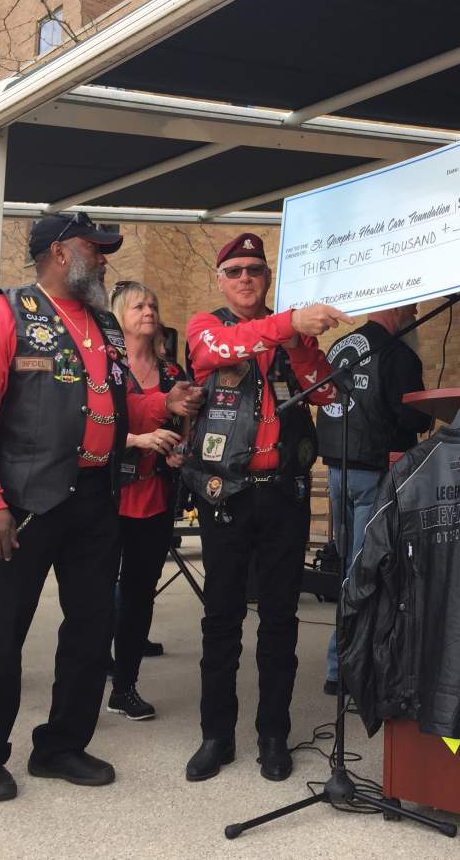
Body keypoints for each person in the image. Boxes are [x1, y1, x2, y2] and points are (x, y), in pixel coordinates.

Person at [0, 213, 202, 802]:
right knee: (0, 632)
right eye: (96, 248)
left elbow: (117, 409)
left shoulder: (106, 328)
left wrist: (166, 400)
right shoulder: (3, 314)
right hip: (23, 503)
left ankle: (61, 745)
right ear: (60, 254)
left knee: (90, 628)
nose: (106, 259)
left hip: (94, 499)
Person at [180, 232, 351, 783]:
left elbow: (326, 394)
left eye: (255, 269)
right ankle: (216, 735)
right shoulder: (205, 327)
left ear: (268, 278)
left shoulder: (289, 334)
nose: (246, 278)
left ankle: (272, 734)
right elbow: (218, 351)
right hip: (224, 495)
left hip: (284, 493)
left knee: (279, 618)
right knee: (221, 618)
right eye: (235, 271)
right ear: (221, 280)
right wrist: (291, 323)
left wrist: (301, 343)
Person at [315, 303, 431, 695]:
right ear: (397, 309)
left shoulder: (339, 347)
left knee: (350, 569)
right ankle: (347, 669)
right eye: (412, 309)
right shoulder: (399, 355)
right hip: (375, 472)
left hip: (337, 470)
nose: (415, 315)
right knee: (364, 574)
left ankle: (343, 664)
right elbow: (412, 416)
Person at [106, 281, 189, 721]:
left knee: (140, 594)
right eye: (139, 304)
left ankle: (125, 686)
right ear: (119, 316)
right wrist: (138, 438)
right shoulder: (104, 367)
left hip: (154, 496)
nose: (149, 310)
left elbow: (188, 427)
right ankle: (92, 667)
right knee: (95, 592)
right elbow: (93, 425)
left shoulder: (173, 373)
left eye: (153, 303)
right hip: (106, 497)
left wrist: (180, 452)